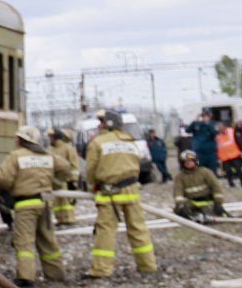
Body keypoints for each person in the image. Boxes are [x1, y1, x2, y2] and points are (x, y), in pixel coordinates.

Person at [85, 109, 157, 277]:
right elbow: (137, 165)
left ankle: (101, 270)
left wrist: (94, 184)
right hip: (132, 190)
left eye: (101, 121)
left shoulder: (98, 143)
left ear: (107, 124)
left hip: (110, 193)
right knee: (138, 229)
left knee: (106, 231)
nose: (99, 124)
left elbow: (90, 171)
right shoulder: (130, 142)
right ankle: (147, 265)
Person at [0, 126, 65, 285]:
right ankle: (56, 273)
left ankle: (26, 276)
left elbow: (3, 180)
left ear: (20, 140)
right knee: (48, 240)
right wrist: (55, 183)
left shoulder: (16, 156)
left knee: (24, 241)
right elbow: (66, 170)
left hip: (25, 204)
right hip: (45, 204)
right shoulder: (48, 155)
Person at [172, 149, 227, 220]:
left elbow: (216, 187)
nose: (188, 163)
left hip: (207, 201)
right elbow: (178, 193)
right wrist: (181, 205)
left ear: (195, 161)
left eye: (190, 161)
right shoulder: (180, 177)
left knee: (214, 214)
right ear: (182, 163)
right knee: (179, 211)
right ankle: (193, 216)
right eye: (185, 162)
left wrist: (218, 203)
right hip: (192, 203)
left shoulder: (205, 172)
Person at [49, 128, 82, 227]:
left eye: (51, 137)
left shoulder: (68, 149)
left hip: (65, 181)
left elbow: (74, 165)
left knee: (66, 201)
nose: (50, 139)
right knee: (56, 202)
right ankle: (60, 219)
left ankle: (69, 218)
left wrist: (73, 180)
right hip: (54, 181)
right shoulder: (50, 150)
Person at [215, 120, 242, 189]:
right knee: (228, 171)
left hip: (234, 154)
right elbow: (217, 147)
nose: (220, 128)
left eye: (221, 126)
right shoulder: (217, 136)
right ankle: (231, 183)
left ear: (224, 126)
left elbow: (239, 140)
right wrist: (218, 157)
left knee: (238, 169)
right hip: (224, 157)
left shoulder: (231, 131)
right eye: (219, 127)